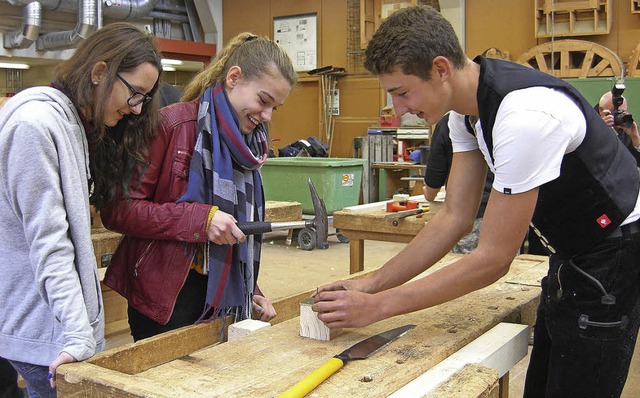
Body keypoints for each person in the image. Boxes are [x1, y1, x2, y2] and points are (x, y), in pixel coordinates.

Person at [312, 5, 640, 398]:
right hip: (573, 251)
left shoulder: (524, 115)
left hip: (614, 251)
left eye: (401, 92)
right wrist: (369, 285)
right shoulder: (464, 115)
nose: (398, 108)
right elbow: (454, 216)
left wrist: (380, 307)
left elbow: (493, 259)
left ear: (440, 69)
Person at [100, 32, 297, 342]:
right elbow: (119, 211)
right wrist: (199, 220)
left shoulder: (248, 148)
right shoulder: (171, 125)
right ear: (234, 77)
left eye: (276, 108)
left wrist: (249, 288)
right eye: (263, 101)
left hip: (219, 296)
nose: (267, 116)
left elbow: (233, 231)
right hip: (164, 295)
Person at [0, 22, 162, 397]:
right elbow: (50, 242)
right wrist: (76, 334)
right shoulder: (35, 127)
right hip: (44, 330)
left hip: (56, 324)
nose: (136, 110)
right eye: (135, 94)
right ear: (100, 72)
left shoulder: (72, 124)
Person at [423, 112, 494, 254]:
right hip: (500, 212)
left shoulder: (446, 123)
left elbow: (432, 188)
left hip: (476, 215)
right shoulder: (464, 121)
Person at [597, 90, 640, 167]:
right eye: (615, 112)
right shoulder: (589, 125)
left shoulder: (627, 125)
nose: (619, 116)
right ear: (601, 110)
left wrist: (635, 138)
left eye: (622, 112)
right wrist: (600, 129)